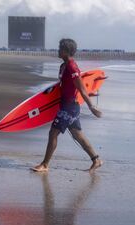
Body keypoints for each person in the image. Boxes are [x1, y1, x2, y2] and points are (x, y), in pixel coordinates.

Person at [31, 38, 103, 172]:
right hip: (66, 105)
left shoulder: (72, 67)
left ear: (65, 51)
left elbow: (81, 89)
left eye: (60, 48)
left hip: (69, 107)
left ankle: (45, 164)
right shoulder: (63, 66)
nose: (58, 50)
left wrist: (91, 106)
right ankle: (96, 159)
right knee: (78, 135)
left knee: (53, 133)